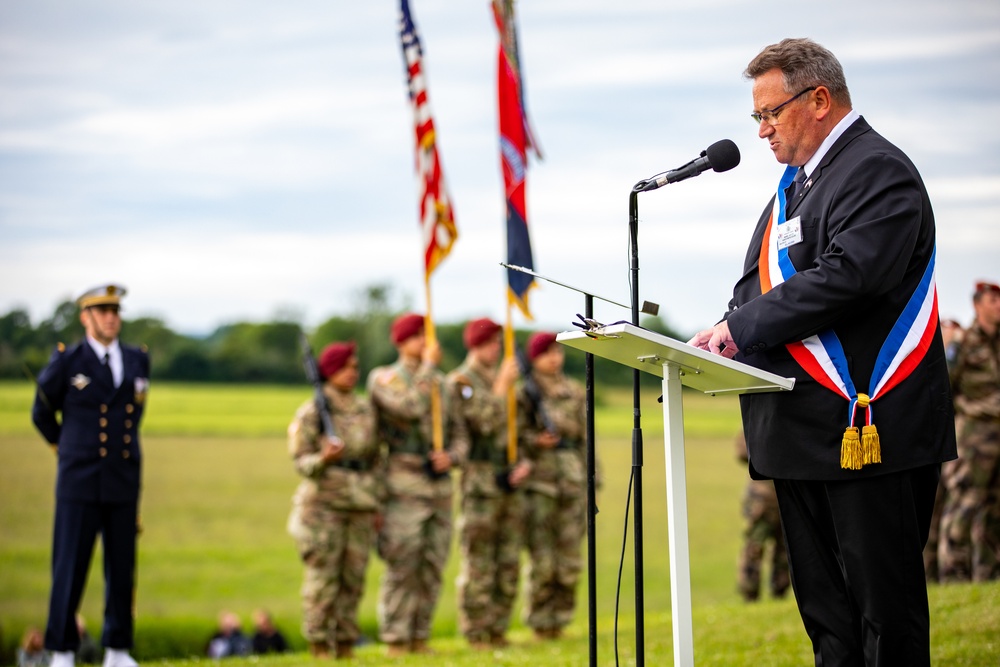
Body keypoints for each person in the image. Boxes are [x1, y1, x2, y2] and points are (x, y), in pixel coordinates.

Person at [688, 38, 956, 666]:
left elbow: (849, 275)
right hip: (801, 430)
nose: (760, 131)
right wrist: (722, 328)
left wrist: (743, 326)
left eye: (768, 113)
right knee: (828, 620)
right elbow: (762, 283)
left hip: (865, 425)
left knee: (882, 618)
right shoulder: (798, 186)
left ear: (818, 99)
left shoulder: (877, 170)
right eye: (756, 117)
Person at [31, 284, 150, 667]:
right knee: (70, 567)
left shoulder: (136, 360)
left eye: (115, 310)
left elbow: (133, 417)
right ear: (86, 317)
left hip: (122, 479)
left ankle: (117, 650)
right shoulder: (68, 361)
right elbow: (42, 412)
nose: (111, 317)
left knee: (121, 568)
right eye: (102, 311)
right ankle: (62, 650)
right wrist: (65, 449)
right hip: (79, 481)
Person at [366, 313, 469, 657]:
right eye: (418, 337)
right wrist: (427, 369)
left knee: (432, 564)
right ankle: (396, 638)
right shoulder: (385, 378)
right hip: (402, 484)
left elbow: (460, 432)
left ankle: (419, 636)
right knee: (404, 564)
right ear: (401, 341)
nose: (426, 343)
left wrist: (452, 456)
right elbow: (409, 408)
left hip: (437, 485)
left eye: (427, 336)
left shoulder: (442, 384)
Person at [287, 340, 381, 659]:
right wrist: (323, 459)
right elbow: (301, 461)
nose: (352, 373)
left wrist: (377, 498)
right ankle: (318, 644)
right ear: (329, 371)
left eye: (355, 367)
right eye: (345, 367)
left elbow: (375, 456)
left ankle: (344, 643)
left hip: (360, 503)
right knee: (323, 580)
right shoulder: (312, 411)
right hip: (323, 507)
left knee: (353, 579)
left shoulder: (365, 408)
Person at [445, 318, 530, 649]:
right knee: (479, 562)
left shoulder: (504, 380)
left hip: (509, 478)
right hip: (480, 482)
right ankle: (476, 631)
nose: (498, 349)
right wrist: (500, 388)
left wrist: (521, 460)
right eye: (492, 343)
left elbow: (514, 428)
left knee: (508, 560)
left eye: (499, 342)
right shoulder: (461, 382)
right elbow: (481, 423)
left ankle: (498, 629)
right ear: (476, 345)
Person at [518, 331, 587, 640]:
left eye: (556, 352)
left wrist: (592, 477)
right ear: (534, 358)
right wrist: (536, 441)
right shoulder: (525, 391)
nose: (554, 358)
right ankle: (540, 622)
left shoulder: (575, 390)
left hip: (572, 477)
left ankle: (560, 620)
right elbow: (515, 436)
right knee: (542, 558)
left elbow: (586, 436)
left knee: (569, 557)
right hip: (540, 481)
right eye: (546, 353)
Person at [937, 280, 1000, 582]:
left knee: (993, 509)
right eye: (992, 300)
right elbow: (946, 387)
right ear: (977, 304)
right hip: (974, 437)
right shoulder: (963, 343)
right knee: (964, 504)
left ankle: (989, 574)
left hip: (998, 436)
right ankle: (953, 576)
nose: (997, 305)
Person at [734, 430, 789, 602]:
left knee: (784, 549)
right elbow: (741, 451)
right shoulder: (755, 419)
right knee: (754, 547)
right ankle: (750, 594)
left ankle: (780, 592)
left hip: (786, 496)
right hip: (761, 499)